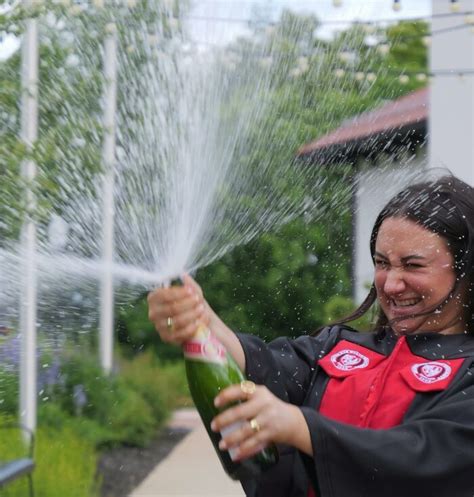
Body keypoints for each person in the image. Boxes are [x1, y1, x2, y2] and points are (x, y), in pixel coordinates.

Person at [147, 174, 474, 497]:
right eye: (382, 263)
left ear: (465, 269)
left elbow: (425, 457)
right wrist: (199, 317)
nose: (390, 284)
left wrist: (301, 428)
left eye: (413, 266)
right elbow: (267, 370)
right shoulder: (338, 348)